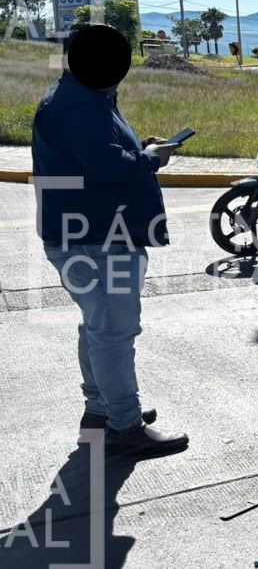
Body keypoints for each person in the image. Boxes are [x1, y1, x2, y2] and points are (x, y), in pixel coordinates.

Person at [33, 25, 189, 456]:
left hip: (89, 234)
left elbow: (101, 152)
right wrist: (151, 158)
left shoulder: (80, 96)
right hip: (97, 238)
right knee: (114, 333)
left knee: (97, 328)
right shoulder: (80, 105)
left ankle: (101, 411)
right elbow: (109, 165)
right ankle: (124, 426)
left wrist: (143, 146)